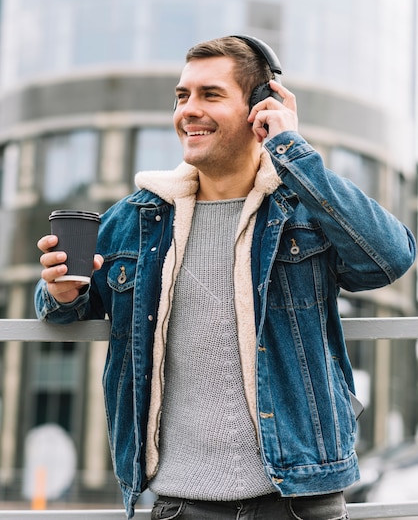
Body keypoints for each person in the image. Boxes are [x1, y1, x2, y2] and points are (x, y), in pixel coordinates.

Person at [35, 35, 416, 520]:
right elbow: (62, 303)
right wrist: (59, 292)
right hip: (179, 505)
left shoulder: (302, 207)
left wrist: (291, 149)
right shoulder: (138, 217)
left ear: (263, 106)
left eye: (210, 95)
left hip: (298, 502)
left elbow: (390, 258)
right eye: (182, 96)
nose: (188, 110)